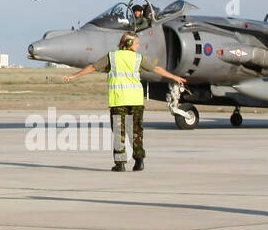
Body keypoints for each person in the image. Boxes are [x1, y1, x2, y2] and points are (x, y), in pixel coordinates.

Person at [63, 32, 186, 171]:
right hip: (136, 101)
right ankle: (139, 161)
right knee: (136, 131)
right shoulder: (139, 58)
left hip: (119, 101)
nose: (139, 45)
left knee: (118, 132)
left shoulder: (112, 57)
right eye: (137, 43)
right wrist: (174, 77)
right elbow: (156, 69)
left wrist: (74, 76)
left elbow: (93, 67)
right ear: (129, 44)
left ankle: (120, 164)